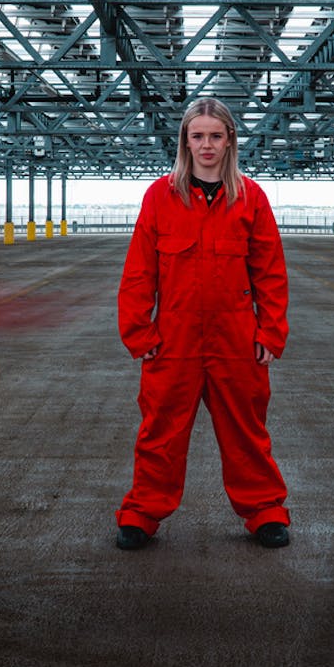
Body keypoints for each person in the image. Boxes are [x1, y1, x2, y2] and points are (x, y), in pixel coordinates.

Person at [115, 98, 291, 550]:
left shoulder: (250, 198)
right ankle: (142, 513)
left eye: (215, 135)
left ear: (229, 140)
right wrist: (139, 333)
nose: (207, 144)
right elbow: (139, 272)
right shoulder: (161, 196)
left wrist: (270, 332)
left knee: (246, 431)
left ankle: (265, 512)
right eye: (198, 136)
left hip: (236, 338)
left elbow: (270, 271)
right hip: (173, 338)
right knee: (160, 431)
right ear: (186, 141)